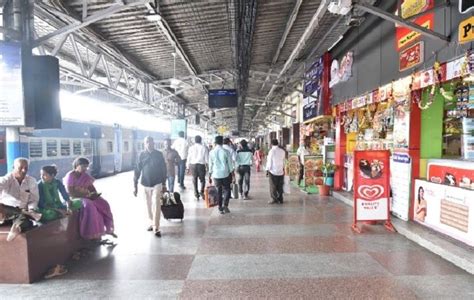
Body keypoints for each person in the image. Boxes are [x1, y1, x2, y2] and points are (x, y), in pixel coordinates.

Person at [64, 157, 116, 241]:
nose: (85, 169)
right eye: (83, 166)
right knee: (89, 205)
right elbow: (71, 192)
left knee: (104, 204)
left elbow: (91, 188)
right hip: (75, 198)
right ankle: (89, 233)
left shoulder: (85, 176)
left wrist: (95, 195)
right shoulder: (71, 175)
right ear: (77, 165)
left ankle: (109, 229)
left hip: (86, 196)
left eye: (86, 167)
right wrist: (86, 195)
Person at [0, 158, 41, 242]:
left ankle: (16, 228)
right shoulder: (6, 179)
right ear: (13, 167)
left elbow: (33, 199)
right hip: (5, 211)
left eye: (26, 168)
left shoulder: (31, 181)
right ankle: (17, 227)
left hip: (21, 211)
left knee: (26, 220)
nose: (23, 170)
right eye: (20, 168)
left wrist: (32, 209)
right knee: (21, 216)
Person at [134, 136, 167, 237]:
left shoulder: (159, 154)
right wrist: (135, 185)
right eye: (147, 142)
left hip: (157, 182)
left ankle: (156, 227)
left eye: (151, 141)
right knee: (148, 205)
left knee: (156, 204)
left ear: (154, 143)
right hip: (145, 183)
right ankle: (152, 222)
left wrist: (164, 183)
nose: (149, 143)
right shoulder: (142, 155)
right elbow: (137, 170)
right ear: (145, 144)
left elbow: (163, 169)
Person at [209, 136, 234, 214]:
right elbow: (230, 164)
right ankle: (225, 204)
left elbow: (210, 165)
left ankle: (220, 207)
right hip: (225, 174)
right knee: (227, 189)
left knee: (218, 191)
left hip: (216, 174)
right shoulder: (226, 151)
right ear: (222, 142)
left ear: (215, 142)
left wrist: (209, 174)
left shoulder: (211, 152)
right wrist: (232, 173)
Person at [186, 135, 208, 200]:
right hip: (201, 165)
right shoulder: (204, 148)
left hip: (193, 165)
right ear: (201, 140)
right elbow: (207, 159)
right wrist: (208, 167)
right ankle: (201, 191)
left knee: (194, 179)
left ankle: (196, 193)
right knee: (203, 180)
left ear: (194, 140)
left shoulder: (191, 148)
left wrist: (187, 167)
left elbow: (189, 157)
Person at [266, 139, 286, 204]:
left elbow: (269, 162)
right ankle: (280, 198)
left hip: (273, 171)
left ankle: (274, 199)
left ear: (271, 144)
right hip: (281, 170)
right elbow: (284, 161)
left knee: (273, 186)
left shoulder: (271, 151)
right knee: (280, 186)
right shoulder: (282, 151)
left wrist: (267, 169)